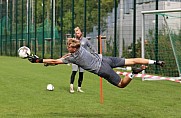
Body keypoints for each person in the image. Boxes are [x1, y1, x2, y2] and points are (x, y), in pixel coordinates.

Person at [28, 38, 165, 88]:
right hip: (106, 59)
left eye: (68, 45)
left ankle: (132, 74)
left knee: (121, 85)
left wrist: (38, 60)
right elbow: (62, 57)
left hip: (102, 69)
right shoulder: (80, 47)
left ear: (73, 47)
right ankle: (156, 62)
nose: (67, 46)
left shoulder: (73, 58)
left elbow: (56, 61)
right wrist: (44, 61)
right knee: (133, 60)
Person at [69, 27, 96, 93]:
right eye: (76, 33)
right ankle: (71, 87)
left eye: (78, 33)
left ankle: (79, 88)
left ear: (81, 33)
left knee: (81, 73)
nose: (77, 34)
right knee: (74, 72)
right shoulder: (74, 40)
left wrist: (95, 53)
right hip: (75, 59)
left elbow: (91, 47)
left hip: (83, 60)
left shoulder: (85, 40)